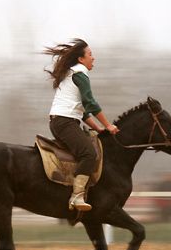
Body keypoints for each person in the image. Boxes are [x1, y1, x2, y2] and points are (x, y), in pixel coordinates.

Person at [43, 39, 120, 212]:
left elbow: (83, 112)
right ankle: (76, 196)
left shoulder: (72, 74)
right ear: (81, 59)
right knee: (88, 154)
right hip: (65, 123)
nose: (93, 58)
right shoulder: (80, 73)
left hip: (63, 121)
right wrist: (108, 125)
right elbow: (90, 103)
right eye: (90, 54)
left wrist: (98, 128)